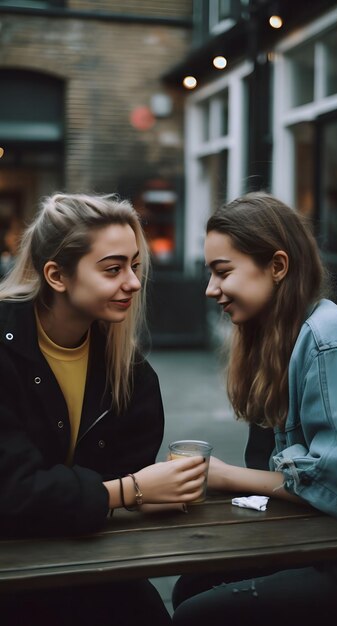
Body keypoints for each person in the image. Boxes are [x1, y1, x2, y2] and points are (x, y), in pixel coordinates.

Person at [0, 192, 206, 626]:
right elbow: (13, 492)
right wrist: (133, 490)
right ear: (57, 275)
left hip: (95, 566)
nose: (132, 282)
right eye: (113, 269)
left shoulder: (130, 374)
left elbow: (128, 475)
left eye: (134, 265)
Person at [172, 191, 337, 625]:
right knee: (188, 586)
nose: (210, 288)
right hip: (309, 541)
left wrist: (220, 474)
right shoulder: (272, 338)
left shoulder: (327, 339)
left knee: (198, 614)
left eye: (222, 272)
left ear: (277, 266)